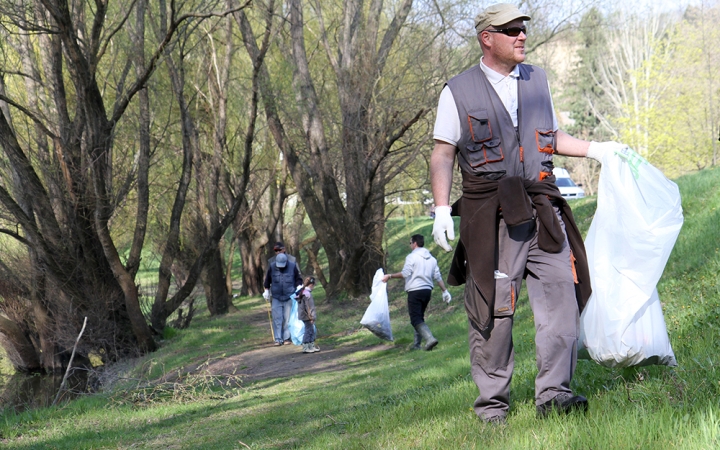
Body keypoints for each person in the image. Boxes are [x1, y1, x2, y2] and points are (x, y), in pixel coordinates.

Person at [429, 3, 627, 423]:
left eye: (523, 28)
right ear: (487, 38)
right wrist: (443, 209)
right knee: (495, 309)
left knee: (561, 300)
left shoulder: (538, 79)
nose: (522, 34)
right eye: (511, 29)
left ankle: (554, 395)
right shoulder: (457, 91)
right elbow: (443, 153)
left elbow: (551, 136)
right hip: (493, 217)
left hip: (542, 207)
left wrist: (598, 149)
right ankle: (492, 407)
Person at [382, 234, 452, 351]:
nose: (410, 245)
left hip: (415, 291)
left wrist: (390, 276)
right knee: (419, 317)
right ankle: (416, 345)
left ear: (414, 243)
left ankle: (429, 339)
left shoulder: (411, 257)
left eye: (410, 243)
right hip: (427, 291)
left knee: (415, 319)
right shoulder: (432, 259)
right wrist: (445, 291)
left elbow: (405, 273)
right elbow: (438, 277)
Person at [263, 252, 302, 346]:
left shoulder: (292, 266)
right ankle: (278, 339)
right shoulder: (272, 267)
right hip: (276, 296)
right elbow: (267, 280)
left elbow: (298, 279)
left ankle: (286, 338)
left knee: (287, 318)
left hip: (289, 296)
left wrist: (299, 287)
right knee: (277, 318)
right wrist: (266, 290)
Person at [297, 276, 319, 353]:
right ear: (311, 285)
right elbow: (310, 307)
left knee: (310, 330)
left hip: (303, 315)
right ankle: (306, 347)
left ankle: (310, 346)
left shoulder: (302, 292)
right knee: (309, 331)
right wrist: (312, 317)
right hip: (307, 316)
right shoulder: (307, 294)